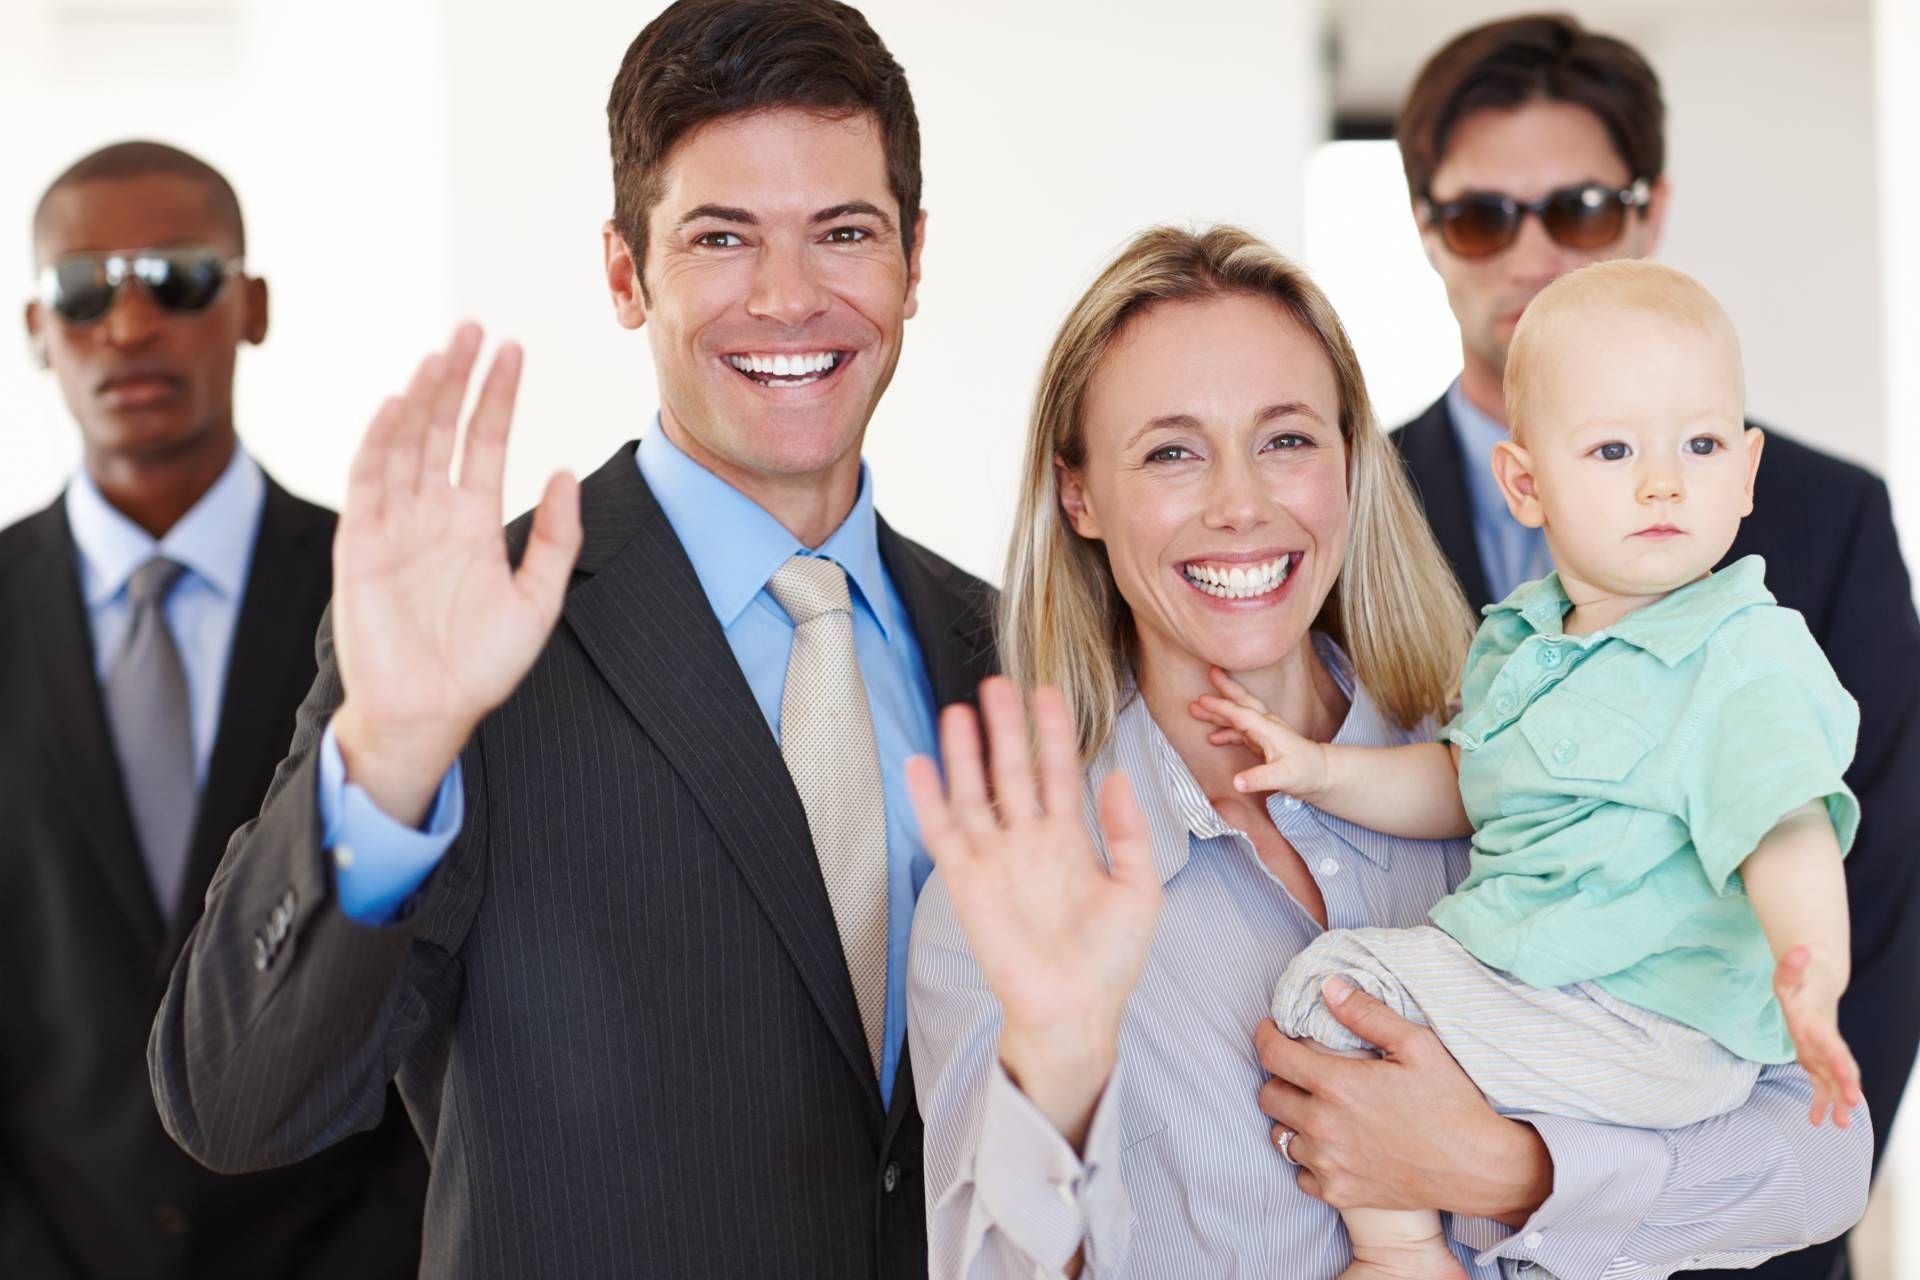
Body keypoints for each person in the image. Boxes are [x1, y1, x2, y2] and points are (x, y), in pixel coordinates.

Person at [148, 3, 993, 1276]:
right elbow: (236, 1098)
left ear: (913, 261)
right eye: (721, 237)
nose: (789, 295)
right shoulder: (477, 628)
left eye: (845, 232)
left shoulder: (1003, 643)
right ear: (624, 272)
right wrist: (389, 755)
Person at [906, 225, 1871, 1280]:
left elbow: (1826, 1159)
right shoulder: (1007, 899)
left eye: (1286, 440)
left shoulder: (1527, 760)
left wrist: (1512, 1168)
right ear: (1079, 493)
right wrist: (1061, 1061)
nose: (1241, 503)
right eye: (1172, 450)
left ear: (1352, 464)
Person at [1183, 259, 1863, 1279]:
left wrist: (1813, 977)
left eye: (1703, 443)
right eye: (1613, 448)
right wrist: (1321, 769)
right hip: (1552, 1000)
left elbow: (1788, 825)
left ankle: (1402, 1251)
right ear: (1526, 483)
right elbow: (1466, 786)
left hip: (1649, 1023)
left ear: (1750, 467)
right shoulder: (1520, 642)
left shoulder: (1741, 650)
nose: (1663, 479)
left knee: (1331, 984)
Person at [1387, 28, 1920, 1276]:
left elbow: (1886, 880)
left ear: (1651, 207)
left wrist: (1773, 1198)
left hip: (1734, 1216)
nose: (1531, 254)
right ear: (1425, 229)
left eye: (1579, 207)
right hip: (1428, 1201)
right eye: (1480, 218)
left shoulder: (1822, 516)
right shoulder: (1353, 510)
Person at [1, 142, 427, 1279]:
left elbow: (438, 977)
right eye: (83, 289)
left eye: (178, 278)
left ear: (252, 307)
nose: (129, 325)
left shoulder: (391, 594)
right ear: (37, 330)